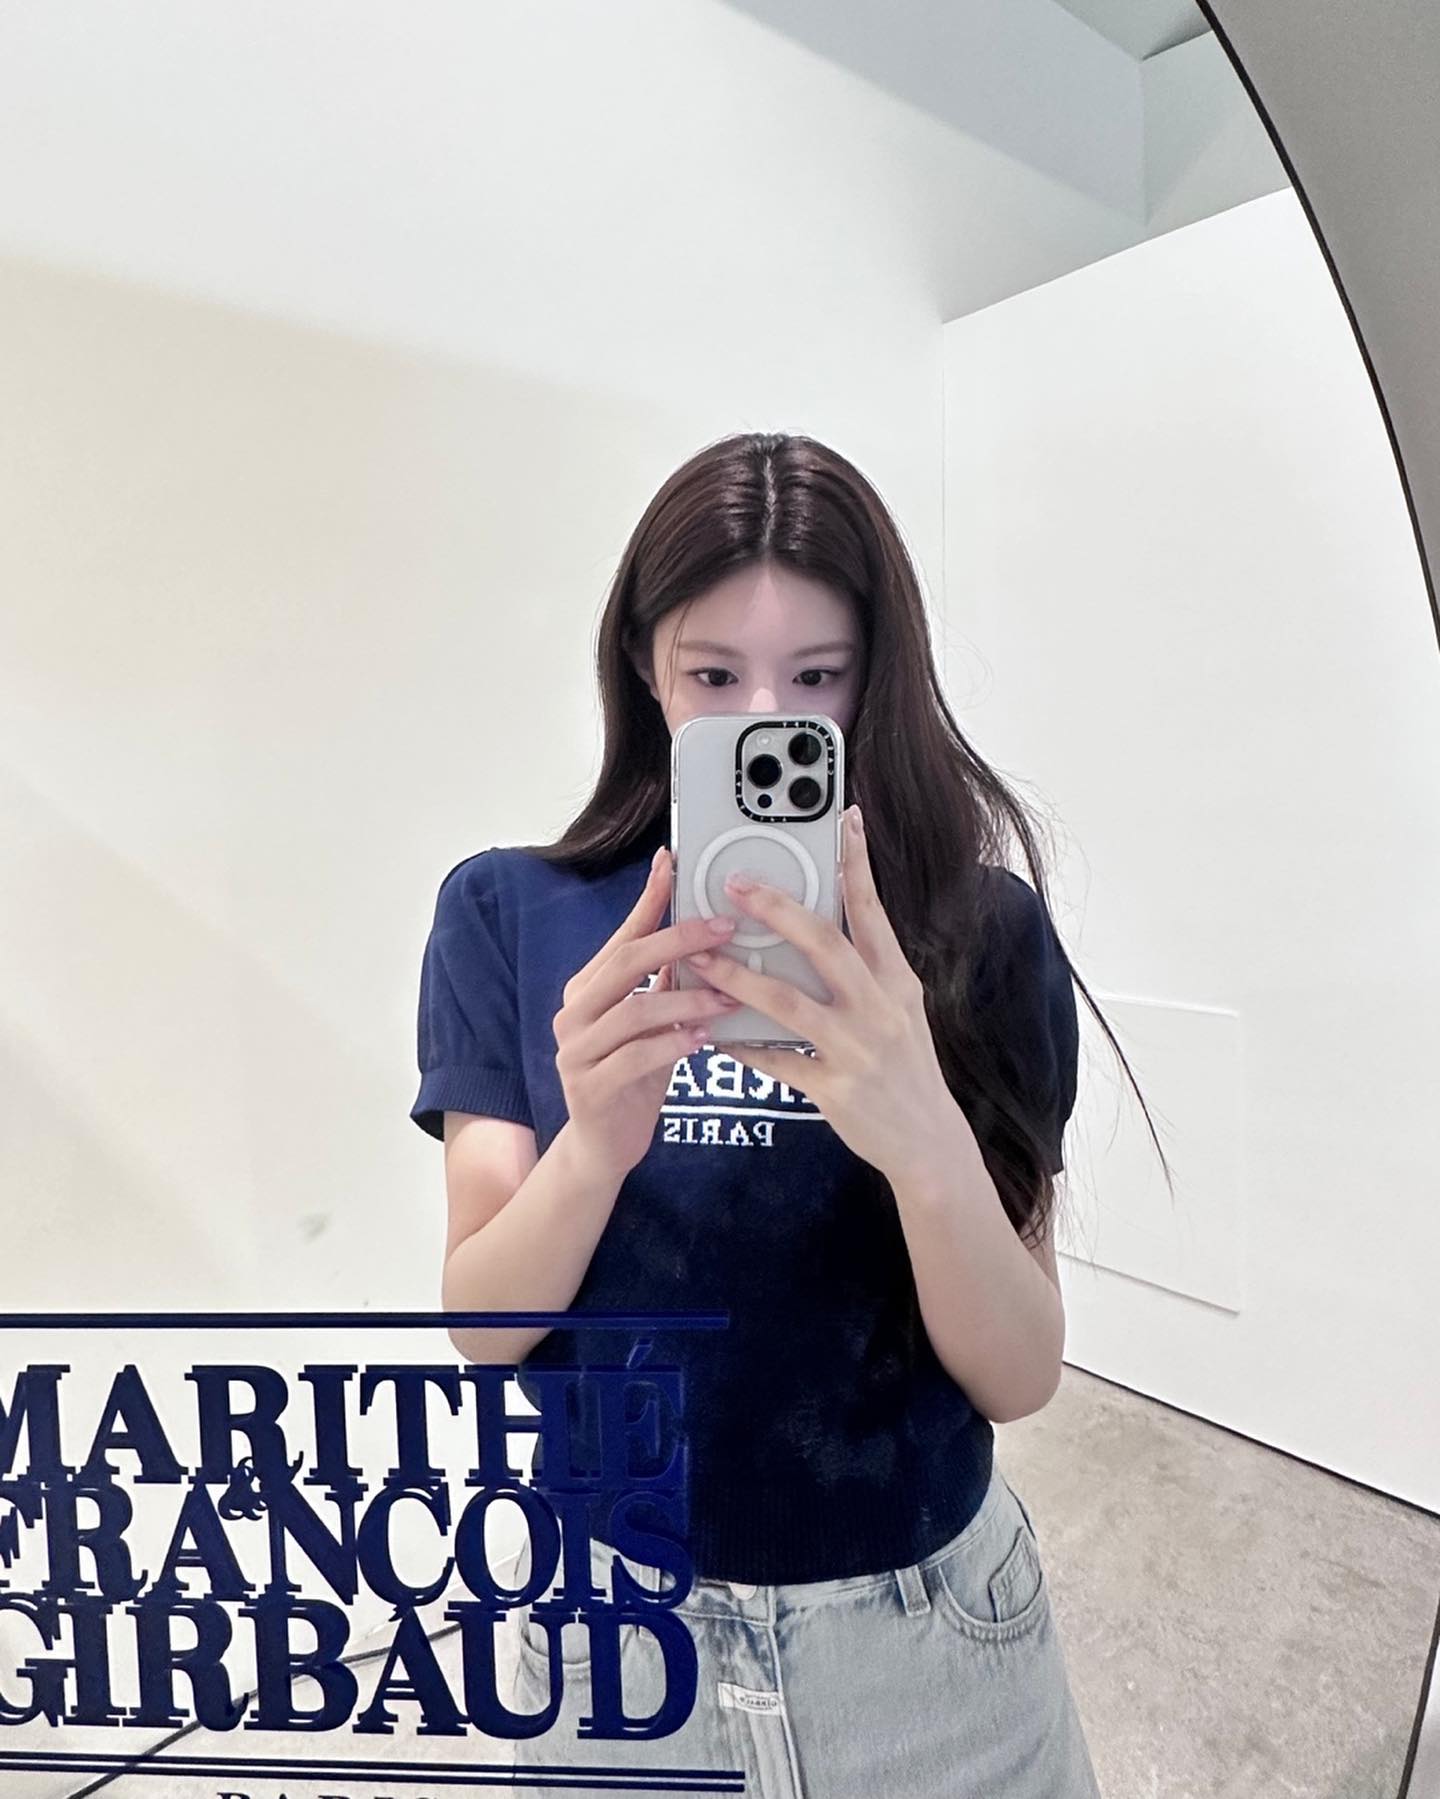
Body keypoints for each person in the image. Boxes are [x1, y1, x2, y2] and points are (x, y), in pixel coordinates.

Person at [409, 432, 1155, 1795]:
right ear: (645, 667)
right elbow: (485, 1322)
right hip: (612, 1648)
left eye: (816, 678)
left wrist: (922, 1135)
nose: (765, 717)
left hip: (929, 1643)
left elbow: (1019, 1372)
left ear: (876, 677)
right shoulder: (508, 913)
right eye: (714, 676)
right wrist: (597, 1146)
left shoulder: (976, 932)